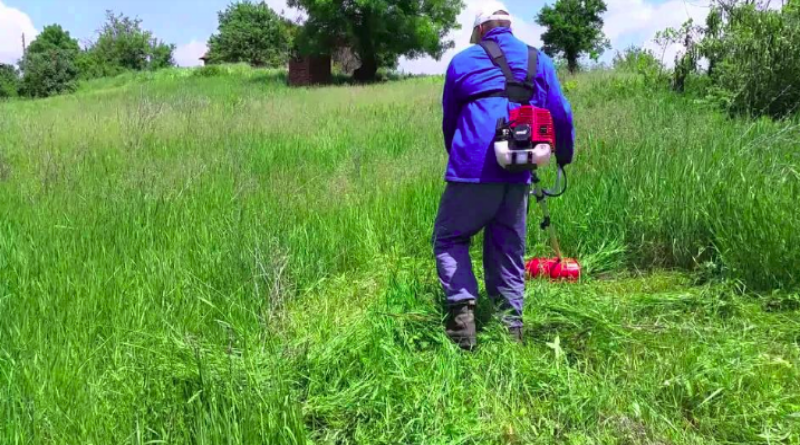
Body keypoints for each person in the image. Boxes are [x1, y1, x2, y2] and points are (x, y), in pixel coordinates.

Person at [433, 3, 575, 350]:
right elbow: (561, 113)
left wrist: (459, 156)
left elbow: (450, 119)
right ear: (509, 27)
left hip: (472, 171)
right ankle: (511, 332)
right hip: (519, 171)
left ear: (480, 31)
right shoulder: (537, 61)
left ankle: (462, 319)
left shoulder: (463, 61)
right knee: (507, 250)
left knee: (450, 238)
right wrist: (563, 157)